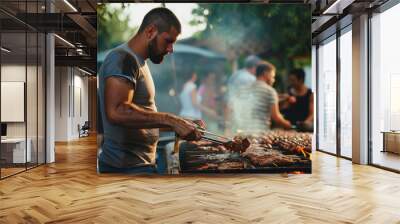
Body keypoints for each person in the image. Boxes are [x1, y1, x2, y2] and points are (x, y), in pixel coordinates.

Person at [97, 7, 204, 174]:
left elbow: (142, 120)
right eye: (168, 41)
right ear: (151, 31)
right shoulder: (122, 58)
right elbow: (117, 111)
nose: (171, 49)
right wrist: (171, 120)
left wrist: (182, 123)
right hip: (125, 170)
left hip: (139, 166)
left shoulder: (139, 62)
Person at [235, 62, 292, 132]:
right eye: (273, 76)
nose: (273, 80)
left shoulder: (246, 88)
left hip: (244, 131)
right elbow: (276, 117)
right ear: (265, 73)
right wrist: (288, 124)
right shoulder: (270, 91)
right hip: (260, 132)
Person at [225, 55, 262, 134]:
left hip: (231, 112)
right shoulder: (250, 78)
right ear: (254, 67)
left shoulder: (236, 74)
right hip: (241, 116)